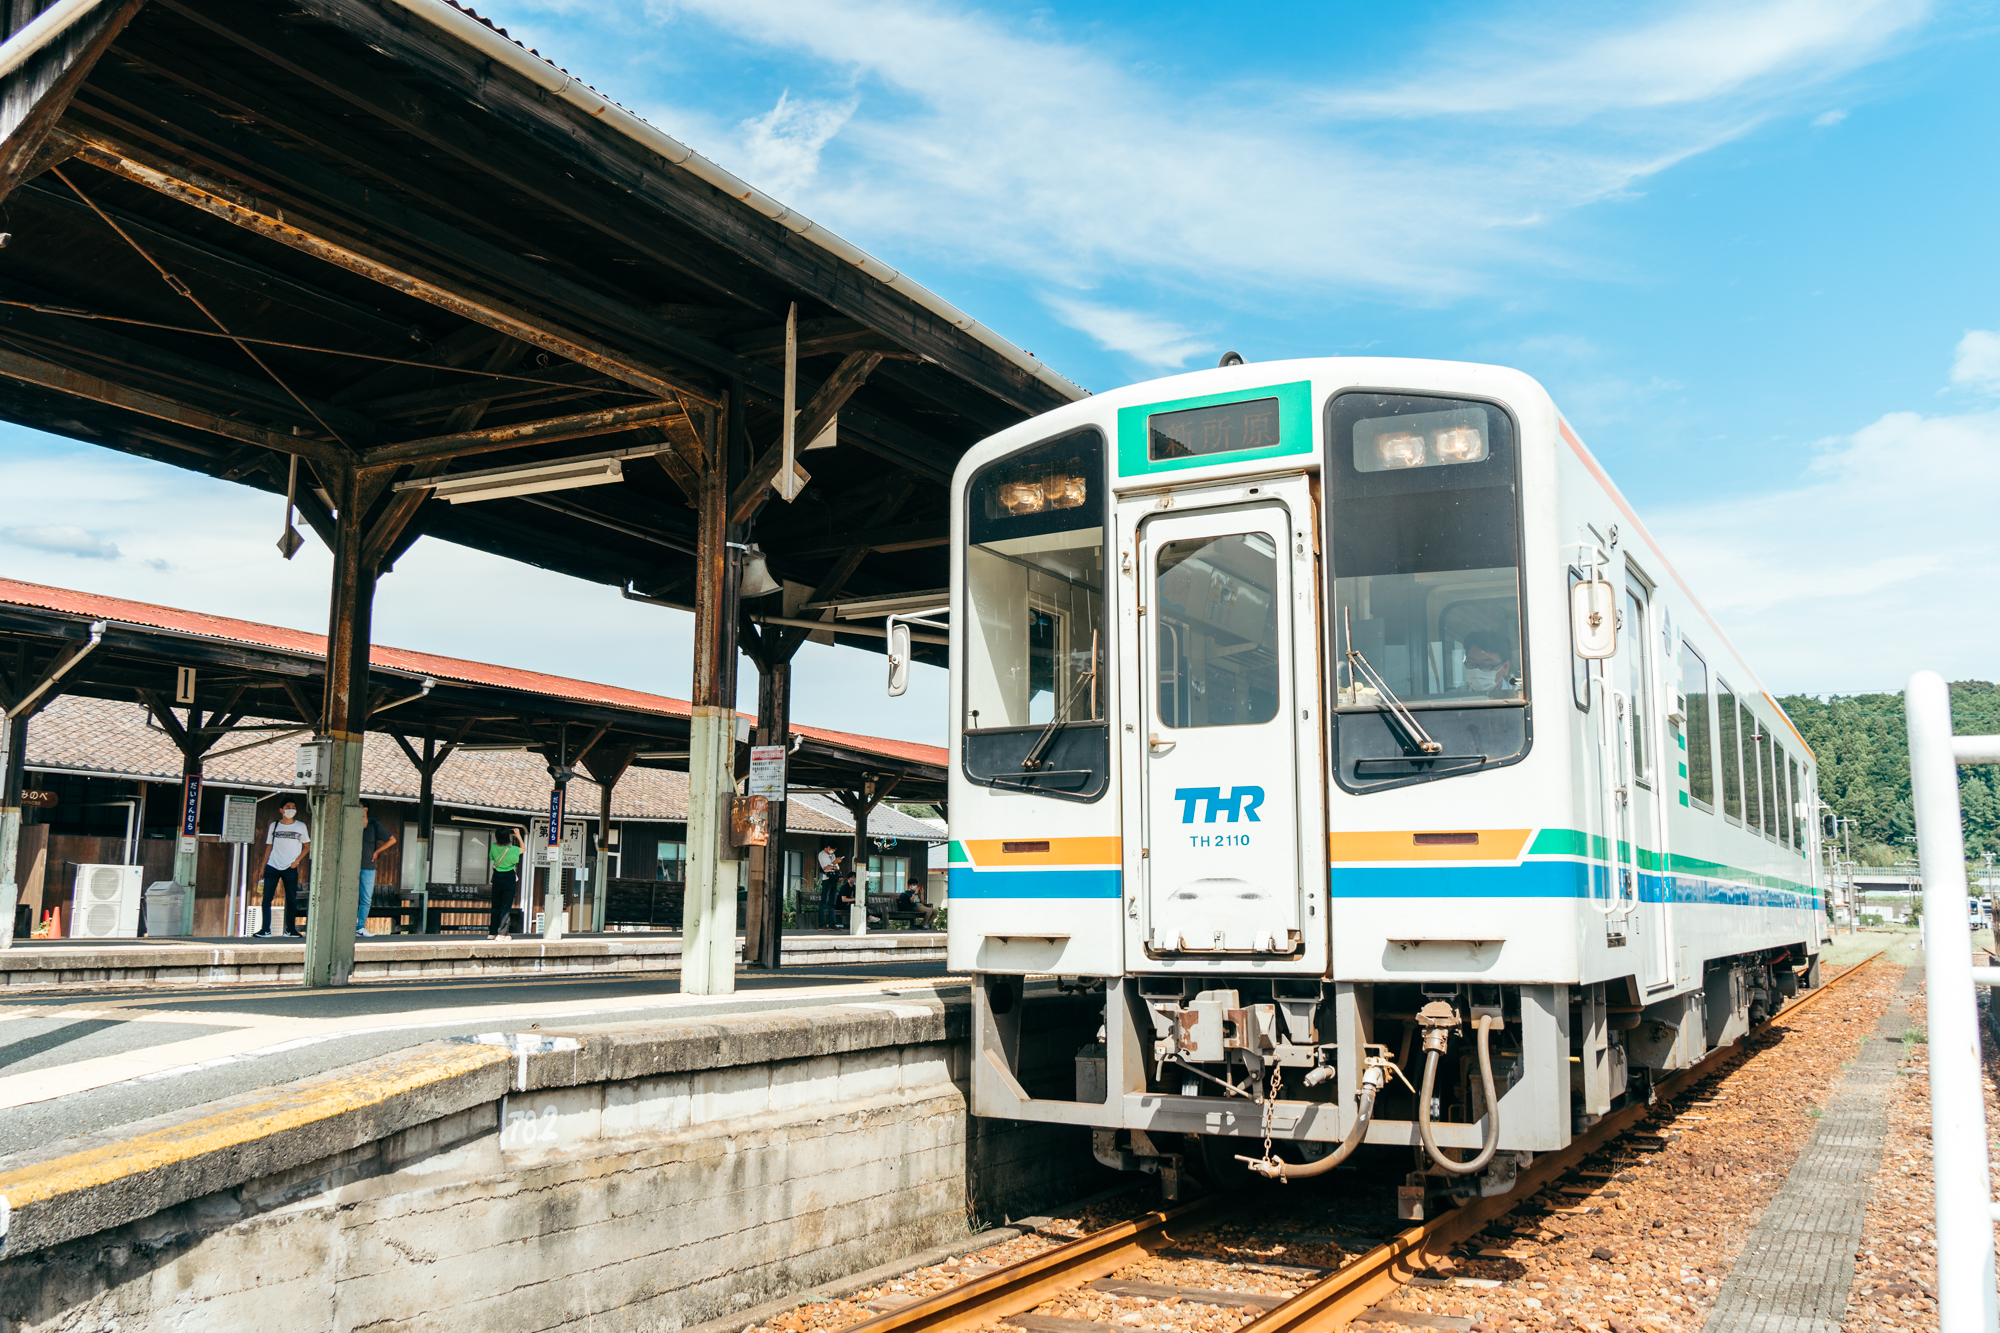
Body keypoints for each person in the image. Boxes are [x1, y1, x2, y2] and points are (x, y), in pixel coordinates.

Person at [252, 798, 310, 938]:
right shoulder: (275, 825)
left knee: (291, 899)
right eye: (288, 806)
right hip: (272, 865)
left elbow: (307, 846)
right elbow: (269, 846)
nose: (291, 809)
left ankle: (290, 929)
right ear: (281, 810)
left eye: (293, 806)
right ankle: (265, 929)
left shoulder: (301, 826)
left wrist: (296, 861)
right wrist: (263, 867)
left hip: (290, 867)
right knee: (267, 898)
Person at [356, 806, 398, 938]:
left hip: (368, 867)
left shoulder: (374, 825)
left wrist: (377, 851)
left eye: (359, 806)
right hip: (349, 867)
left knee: (366, 899)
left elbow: (392, 839)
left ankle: (360, 927)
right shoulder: (349, 823)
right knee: (347, 897)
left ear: (365, 809)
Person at [1462, 631, 1519, 697]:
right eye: (1471, 663)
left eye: (1486, 665)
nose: (1477, 671)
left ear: (1505, 667)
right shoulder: (1454, 698)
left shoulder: (1519, 696)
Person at [489, 828, 522, 940]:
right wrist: (518, 835)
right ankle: (501, 933)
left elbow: (491, 857)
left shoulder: (494, 846)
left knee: (495, 906)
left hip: (497, 877)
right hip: (509, 877)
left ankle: (492, 933)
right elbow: (523, 849)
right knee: (505, 906)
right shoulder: (513, 849)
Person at [817, 841, 843, 927]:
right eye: (833, 849)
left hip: (834, 879)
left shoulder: (832, 855)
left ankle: (832, 923)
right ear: (828, 847)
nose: (833, 851)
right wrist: (834, 863)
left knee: (832, 902)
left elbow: (836, 868)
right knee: (824, 902)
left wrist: (833, 865)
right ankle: (822, 923)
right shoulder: (822, 854)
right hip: (827, 879)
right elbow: (825, 868)